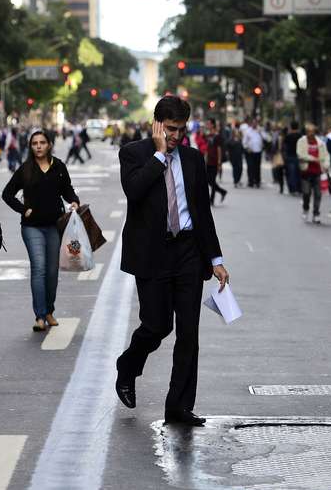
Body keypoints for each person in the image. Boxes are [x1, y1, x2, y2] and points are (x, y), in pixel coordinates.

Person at [115, 95, 229, 427]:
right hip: (152, 253)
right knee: (157, 325)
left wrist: (216, 258)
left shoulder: (194, 159)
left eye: (181, 129)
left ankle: (178, 406)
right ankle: (128, 366)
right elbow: (134, 192)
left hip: (189, 253)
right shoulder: (133, 154)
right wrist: (158, 154)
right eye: (170, 129)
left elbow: (202, 212)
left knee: (189, 333)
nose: (176, 136)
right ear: (157, 125)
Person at [2, 129, 80, 332]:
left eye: (42, 142)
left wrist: (74, 201)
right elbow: (7, 194)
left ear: (49, 145)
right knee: (39, 268)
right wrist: (24, 210)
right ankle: (39, 316)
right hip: (32, 228)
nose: (38, 146)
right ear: (31, 146)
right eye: (34, 143)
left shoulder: (59, 166)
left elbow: (67, 189)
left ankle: (49, 311)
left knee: (52, 271)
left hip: (55, 226)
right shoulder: (26, 169)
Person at [297, 123, 330, 224]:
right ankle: (306, 209)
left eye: (312, 132)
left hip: (317, 172)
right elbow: (300, 154)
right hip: (306, 171)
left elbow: (326, 155)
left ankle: (316, 214)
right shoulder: (301, 141)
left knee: (318, 194)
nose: (311, 134)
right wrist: (313, 159)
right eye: (309, 132)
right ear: (306, 132)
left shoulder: (320, 143)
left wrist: (326, 165)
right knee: (306, 193)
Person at [204, 118, 227, 205]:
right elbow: (207, 148)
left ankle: (211, 199)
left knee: (212, 180)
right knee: (208, 180)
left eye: (209, 124)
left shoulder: (217, 136)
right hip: (208, 161)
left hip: (215, 161)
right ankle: (222, 192)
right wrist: (205, 158)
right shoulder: (209, 135)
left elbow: (219, 149)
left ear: (213, 125)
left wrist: (219, 162)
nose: (207, 125)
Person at [243, 119, 264, 188]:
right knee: (250, 167)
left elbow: (267, 138)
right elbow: (244, 142)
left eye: (256, 123)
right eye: (253, 123)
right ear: (251, 124)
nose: (254, 124)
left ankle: (257, 181)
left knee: (257, 167)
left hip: (258, 151)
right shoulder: (247, 131)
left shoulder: (260, 130)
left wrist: (261, 132)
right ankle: (251, 181)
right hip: (250, 151)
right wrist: (247, 148)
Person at [282, 121, 302, 195]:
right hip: (299, 156)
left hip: (290, 156)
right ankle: (299, 189)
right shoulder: (301, 136)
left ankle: (292, 189)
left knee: (291, 173)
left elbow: (284, 147)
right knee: (299, 173)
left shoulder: (288, 136)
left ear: (291, 127)